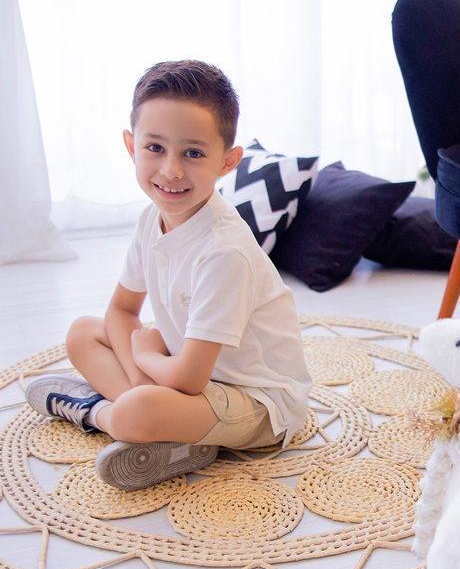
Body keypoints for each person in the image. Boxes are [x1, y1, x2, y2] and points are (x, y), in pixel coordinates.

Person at [25, 60, 312, 490]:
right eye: (155, 148)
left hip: (256, 403)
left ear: (227, 161)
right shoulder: (150, 220)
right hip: (185, 370)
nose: (171, 171)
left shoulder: (223, 251)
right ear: (131, 145)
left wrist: (142, 361)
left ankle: (97, 412)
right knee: (83, 333)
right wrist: (146, 373)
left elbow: (190, 379)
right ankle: (169, 430)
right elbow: (122, 311)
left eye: (193, 153)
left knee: (135, 410)